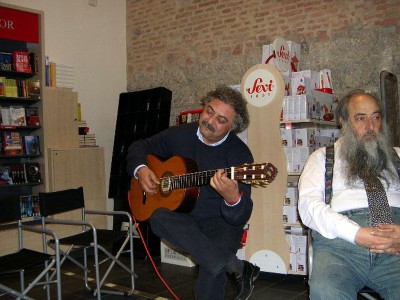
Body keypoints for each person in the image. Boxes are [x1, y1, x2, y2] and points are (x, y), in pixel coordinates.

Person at [126, 86, 260, 300]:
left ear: (232, 127)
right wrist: (141, 170)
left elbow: (240, 216)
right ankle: (238, 267)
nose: (210, 121)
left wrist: (232, 198)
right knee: (159, 217)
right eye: (209, 111)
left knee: (211, 270)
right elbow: (138, 147)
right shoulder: (180, 135)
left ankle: (228, 265)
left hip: (220, 221)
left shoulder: (240, 156)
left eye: (221, 120)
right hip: (185, 216)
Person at [298, 89, 400, 299]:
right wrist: (356, 233)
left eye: (376, 117)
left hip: (396, 248)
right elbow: (308, 206)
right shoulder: (322, 158)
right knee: (327, 291)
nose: (370, 127)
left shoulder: (398, 156)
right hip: (341, 246)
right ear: (344, 122)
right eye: (360, 118)